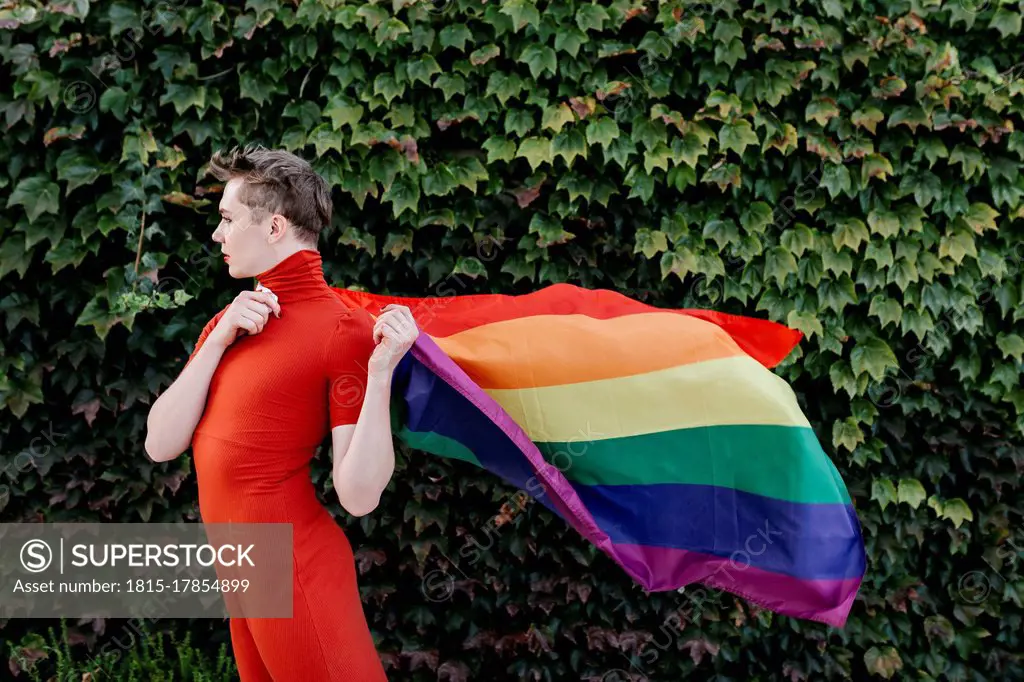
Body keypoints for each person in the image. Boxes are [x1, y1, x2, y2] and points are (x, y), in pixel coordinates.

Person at [144, 144, 419, 681]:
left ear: (273, 228)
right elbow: (159, 443)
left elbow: (359, 496)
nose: (217, 235)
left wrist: (381, 371)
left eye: (227, 219)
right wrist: (219, 338)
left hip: (294, 570)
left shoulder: (343, 331)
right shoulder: (232, 322)